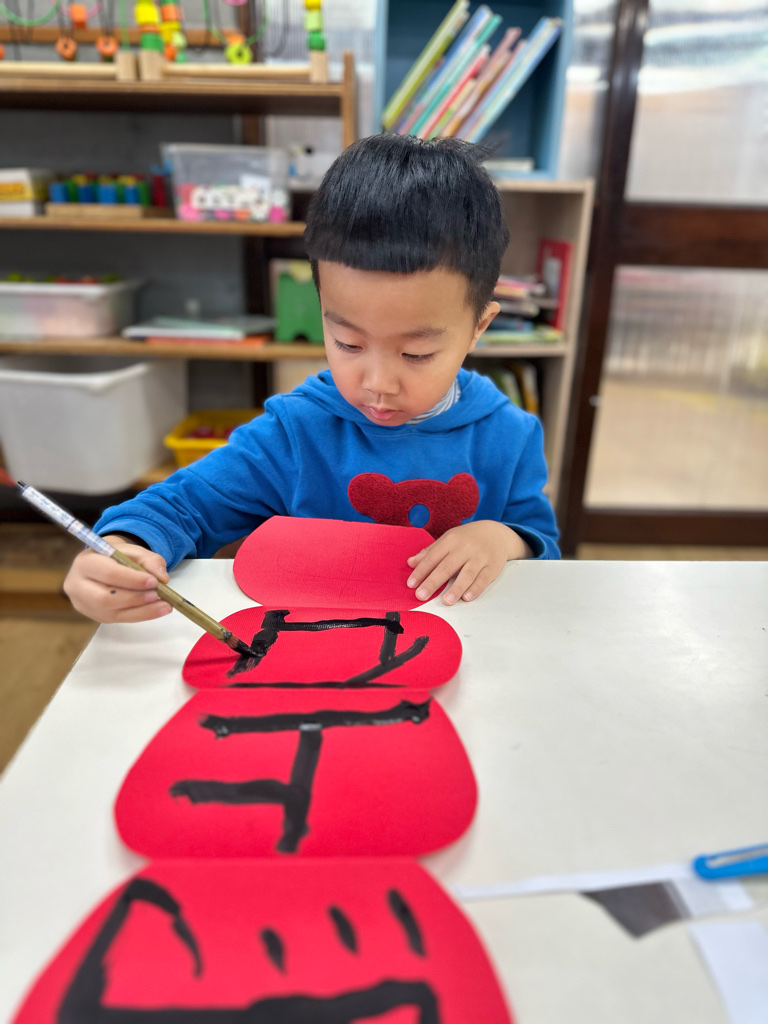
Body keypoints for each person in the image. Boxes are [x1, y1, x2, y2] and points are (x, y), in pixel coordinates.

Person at [63, 133, 559, 624]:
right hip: (313, 647)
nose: (378, 383)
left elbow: (542, 548)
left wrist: (503, 538)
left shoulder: (509, 436)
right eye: (348, 344)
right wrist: (123, 548)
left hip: (460, 650)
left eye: (416, 353)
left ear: (479, 327)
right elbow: (181, 506)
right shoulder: (295, 433)